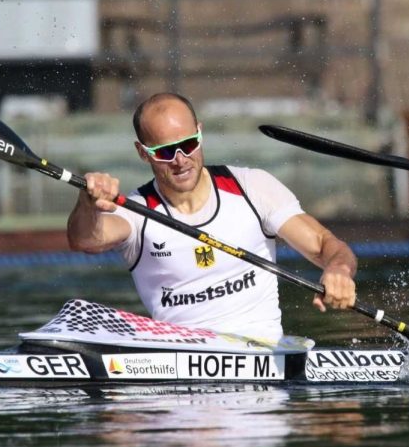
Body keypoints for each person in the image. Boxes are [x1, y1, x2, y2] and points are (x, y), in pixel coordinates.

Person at [67, 92, 357, 340]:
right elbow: (85, 240)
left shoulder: (252, 188)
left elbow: (325, 245)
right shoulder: (136, 211)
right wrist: (87, 202)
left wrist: (339, 271)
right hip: (179, 367)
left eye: (189, 144)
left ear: (200, 132)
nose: (181, 160)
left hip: (262, 363)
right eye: (165, 152)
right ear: (143, 153)